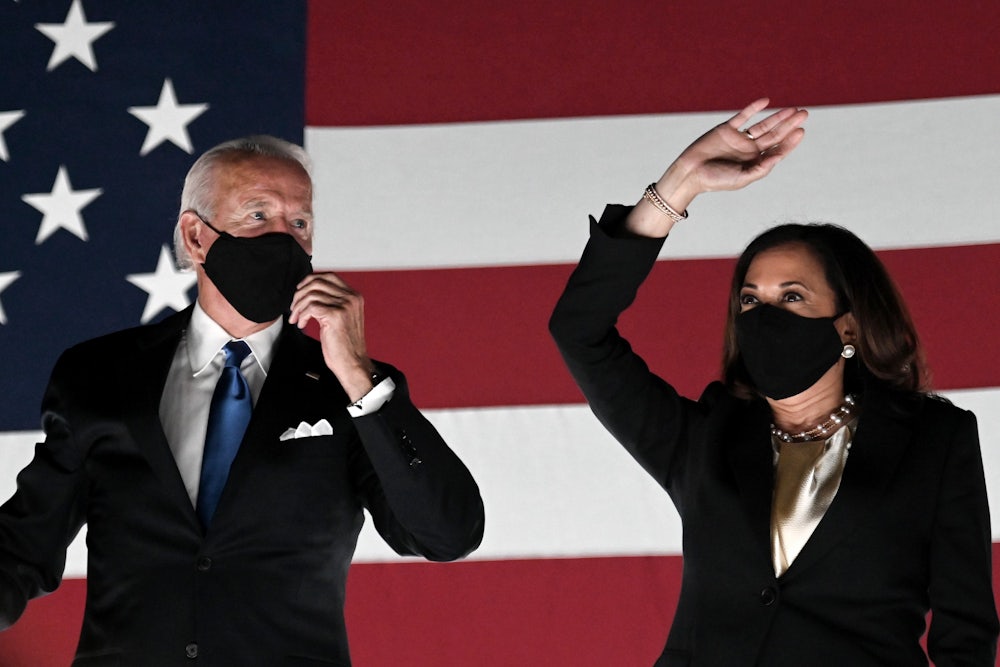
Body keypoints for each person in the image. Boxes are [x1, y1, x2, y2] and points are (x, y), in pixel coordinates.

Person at [0, 136, 485, 665]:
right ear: (196, 236)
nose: (284, 238)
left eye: (299, 223)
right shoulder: (98, 375)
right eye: (258, 215)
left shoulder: (351, 388)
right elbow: (22, 548)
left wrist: (358, 376)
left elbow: (447, 533)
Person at [549, 99, 998, 666]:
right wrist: (680, 184)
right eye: (750, 300)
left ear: (850, 323)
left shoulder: (936, 440)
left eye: (792, 297)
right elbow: (578, 330)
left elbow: (967, 632)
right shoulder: (704, 438)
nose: (765, 315)